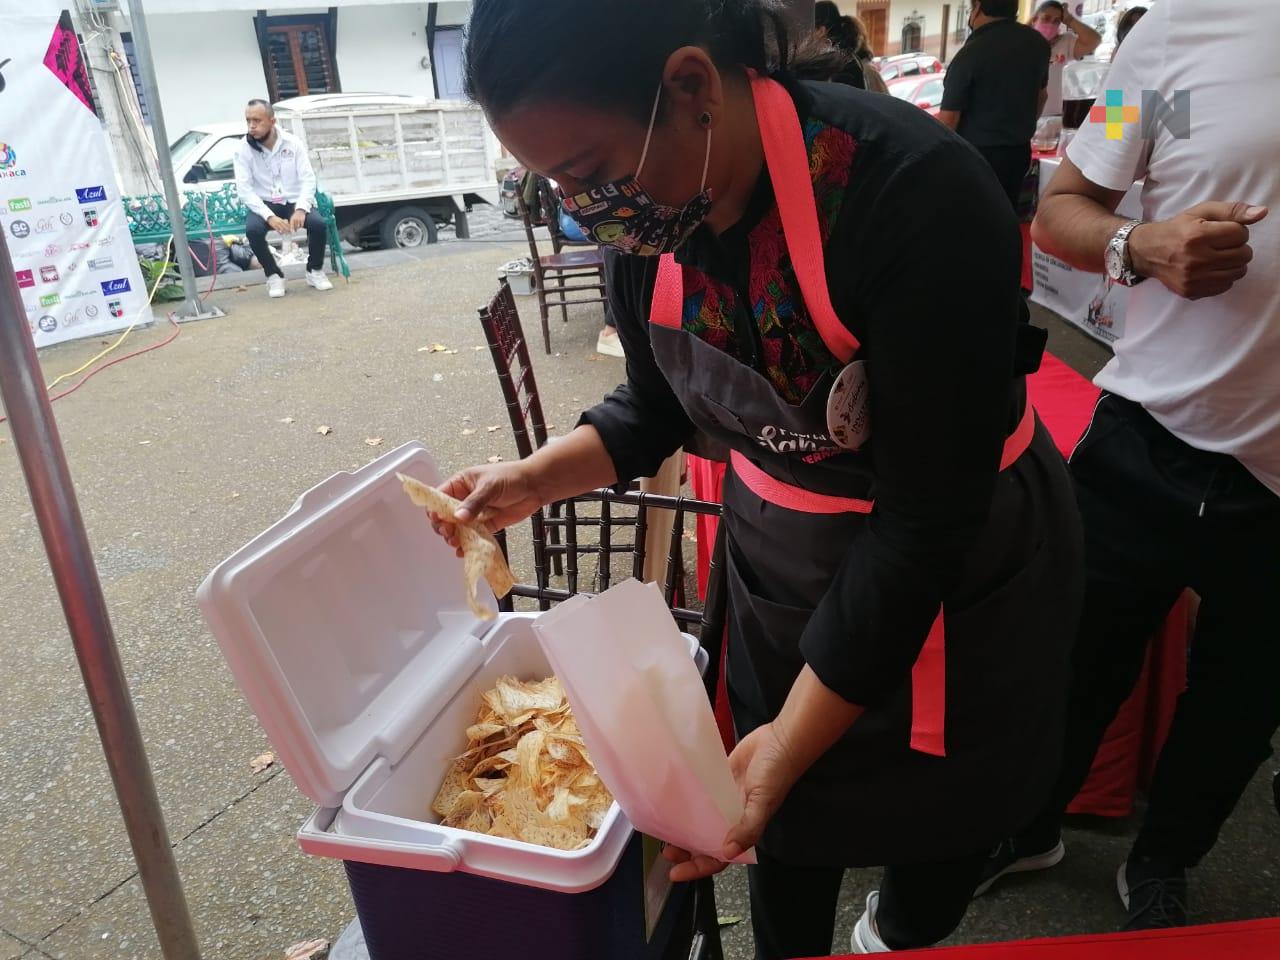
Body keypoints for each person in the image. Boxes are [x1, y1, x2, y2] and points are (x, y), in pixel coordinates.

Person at [439, 1, 1083, 956]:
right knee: (780, 829)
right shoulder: (650, 226)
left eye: (587, 174)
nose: (588, 212)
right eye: (554, 188)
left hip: (956, 572)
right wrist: (536, 478)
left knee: (938, 829)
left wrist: (793, 736)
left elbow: (924, 521)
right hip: (783, 571)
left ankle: (895, 934)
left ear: (691, 85)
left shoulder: (909, 193)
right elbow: (655, 407)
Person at [977, 0, 1280, 932]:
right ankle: (1027, 827)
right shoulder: (1180, 37)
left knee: (1237, 709)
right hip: (1145, 439)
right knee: (1066, 664)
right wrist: (1135, 244)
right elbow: (1064, 206)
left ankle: (1165, 860)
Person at [938, 0, 1051, 208]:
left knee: (973, 218)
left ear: (978, 8)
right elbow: (1041, 96)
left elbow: (949, 119)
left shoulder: (971, 52)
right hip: (1019, 152)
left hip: (977, 156)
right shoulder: (1037, 43)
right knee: (1007, 213)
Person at [233, 98, 333, 299]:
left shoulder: (293, 143)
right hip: (265, 203)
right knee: (253, 230)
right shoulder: (243, 148)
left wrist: (301, 208)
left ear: (272, 121)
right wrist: (269, 217)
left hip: (293, 200)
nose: (252, 126)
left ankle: (314, 271)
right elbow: (244, 190)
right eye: (248, 120)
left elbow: (307, 178)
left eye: (257, 120)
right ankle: (274, 275)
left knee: (318, 224)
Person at [1030, 1, 1101, 118]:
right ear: (1035, 19)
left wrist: (1070, 20)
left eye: (1056, 21)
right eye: (1046, 18)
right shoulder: (1021, 43)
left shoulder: (1065, 42)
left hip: (1055, 116)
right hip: (1024, 115)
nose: (1050, 24)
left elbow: (1094, 40)